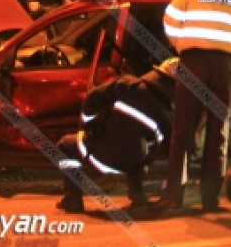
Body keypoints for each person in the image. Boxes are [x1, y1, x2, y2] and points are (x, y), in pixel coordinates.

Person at [158, 0, 231, 213]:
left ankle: (173, 196)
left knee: (183, 129)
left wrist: (182, 46)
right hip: (226, 66)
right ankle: (210, 199)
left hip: (193, 62)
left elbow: (170, 22)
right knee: (217, 132)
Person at [56, 58, 177, 213]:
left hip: (99, 155)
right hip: (132, 163)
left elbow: (92, 99)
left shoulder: (128, 85)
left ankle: (72, 198)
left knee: (65, 145)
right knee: (142, 149)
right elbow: (166, 149)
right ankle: (138, 198)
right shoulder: (169, 114)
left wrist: (87, 128)